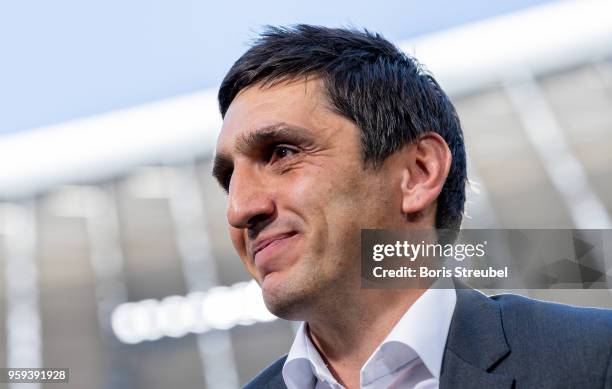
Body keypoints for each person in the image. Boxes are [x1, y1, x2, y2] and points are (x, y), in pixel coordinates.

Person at [212, 25, 612, 389]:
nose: (239, 210)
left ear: (418, 174)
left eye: (282, 152)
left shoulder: (593, 362)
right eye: (229, 179)